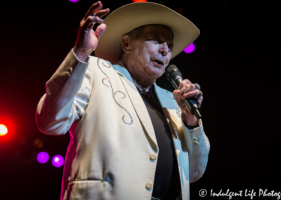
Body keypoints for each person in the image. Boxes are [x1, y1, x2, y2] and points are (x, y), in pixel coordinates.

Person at [35, 1, 210, 200]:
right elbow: (50, 122)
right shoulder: (93, 69)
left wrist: (191, 122)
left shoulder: (173, 101)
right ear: (126, 44)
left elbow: (195, 173)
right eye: (155, 40)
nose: (165, 51)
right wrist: (81, 53)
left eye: (169, 46)